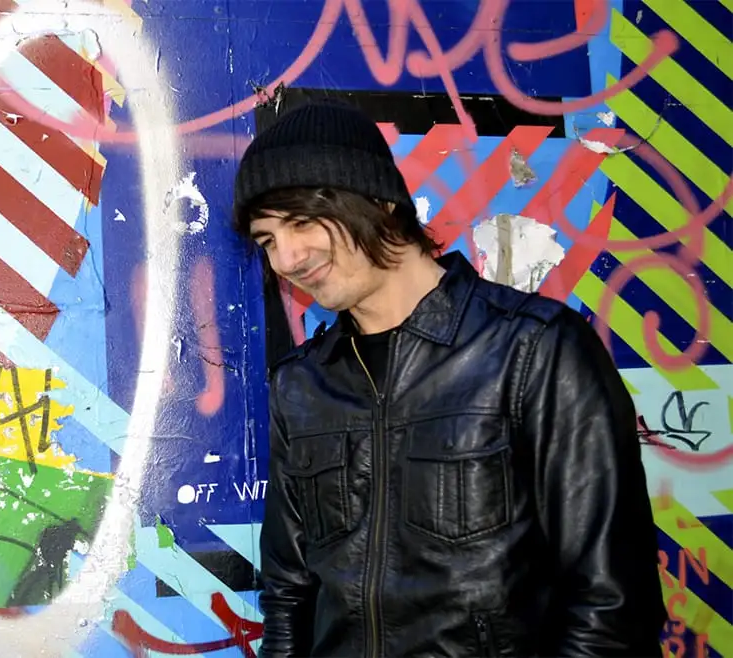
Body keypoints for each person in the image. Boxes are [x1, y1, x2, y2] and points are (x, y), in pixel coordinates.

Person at [233, 100, 667, 657]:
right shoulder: (301, 385)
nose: (288, 256)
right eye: (267, 239)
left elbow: (611, 608)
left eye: (301, 221)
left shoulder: (534, 350)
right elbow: (290, 596)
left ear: (379, 200)